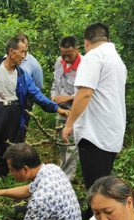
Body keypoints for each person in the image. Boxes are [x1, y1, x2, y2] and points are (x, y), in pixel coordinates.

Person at [0, 36, 69, 187]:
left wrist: (57, 108)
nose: (24, 56)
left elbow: (36, 94)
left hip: (13, 111)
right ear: (11, 51)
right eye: (22, 52)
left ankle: (2, 177)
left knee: (8, 146)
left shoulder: (22, 75)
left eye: (25, 52)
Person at [62, 23, 127, 220]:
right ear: (107, 39)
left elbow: (84, 94)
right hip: (111, 129)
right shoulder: (116, 59)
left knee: (96, 183)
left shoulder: (94, 57)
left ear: (86, 43)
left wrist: (69, 123)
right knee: (101, 178)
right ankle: (92, 212)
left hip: (96, 131)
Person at [51, 36, 82, 181]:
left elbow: (86, 91)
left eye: (70, 55)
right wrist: (54, 97)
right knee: (62, 143)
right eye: (64, 55)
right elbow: (55, 83)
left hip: (75, 112)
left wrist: (68, 97)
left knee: (70, 145)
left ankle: (66, 179)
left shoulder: (84, 65)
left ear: (77, 49)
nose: (67, 58)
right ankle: (63, 173)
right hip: (61, 111)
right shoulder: (59, 62)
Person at [13, 33, 44, 143]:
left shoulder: (33, 64)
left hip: (25, 101)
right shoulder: (4, 60)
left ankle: (17, 156)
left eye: (25, 46)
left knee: (20, 131)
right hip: (7, 99)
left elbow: (38, 85)